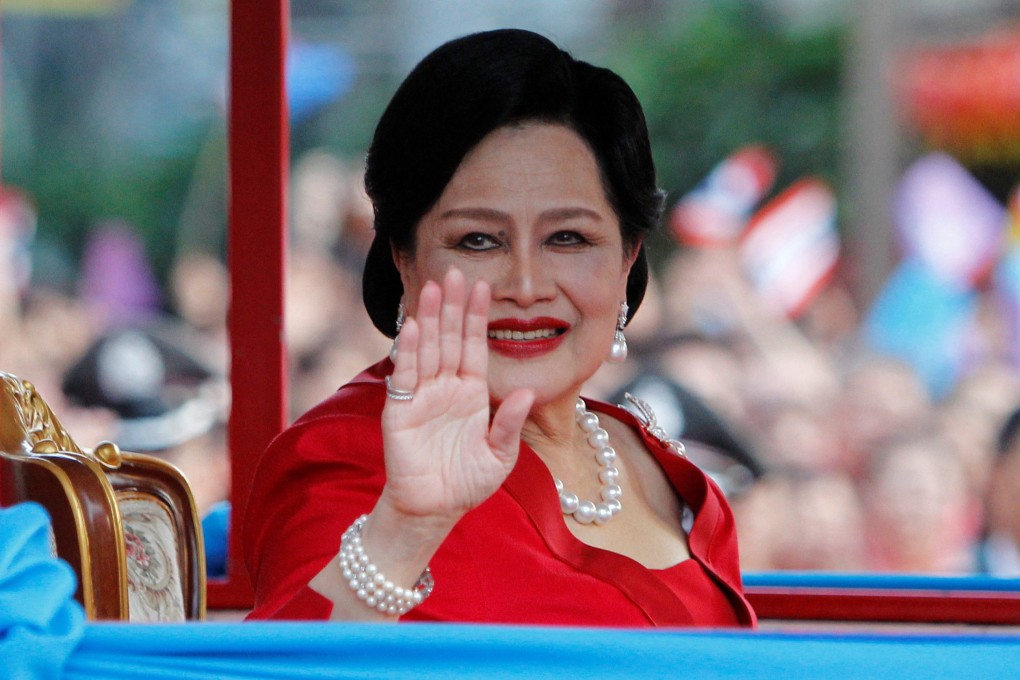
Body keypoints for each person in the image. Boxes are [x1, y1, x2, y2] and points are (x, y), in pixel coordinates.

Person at [243, 28, 755, 627]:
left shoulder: (670, 471)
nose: (527, 285)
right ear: (402, 261)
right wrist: (405, 528)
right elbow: (286, 666)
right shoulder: (344, 457)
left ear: (627, 258)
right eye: (478, 241)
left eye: (569, 238)